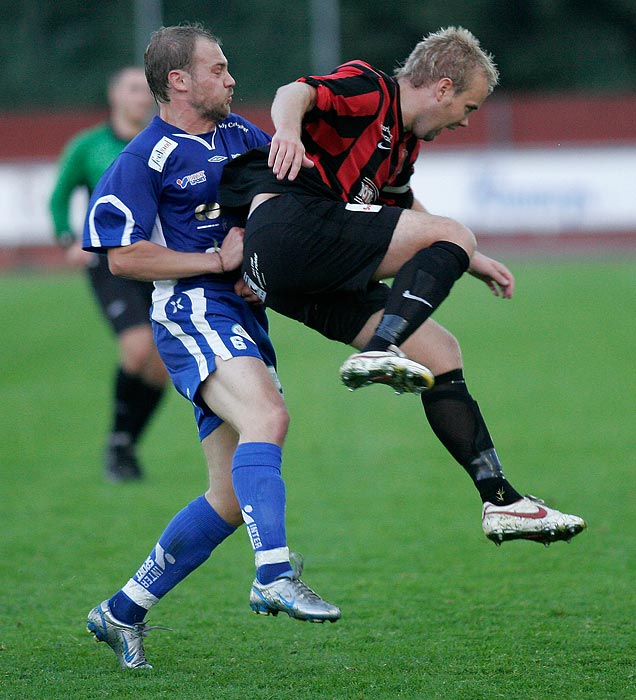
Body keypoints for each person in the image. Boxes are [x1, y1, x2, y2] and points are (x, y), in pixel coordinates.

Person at [218, 27, 586, 546]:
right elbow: (293, 93)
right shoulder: (372, 88)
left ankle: (502, 502)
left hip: (291, 273)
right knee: (452, 234)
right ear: (441, 87)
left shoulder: (402, 146)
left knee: (438, 350)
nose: (465, 120)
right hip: (290, 228)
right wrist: (287, 134)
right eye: (469, 106)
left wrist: (471, 258)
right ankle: (383, 347)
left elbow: (402, 210)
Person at [83, 23, 340, 671]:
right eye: (218, 69)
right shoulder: (142, 158)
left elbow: (280, 202)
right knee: (268, 419)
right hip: (191, 310)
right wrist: (212, 262)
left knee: (229, 496)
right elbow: (122, 257)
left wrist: (262, 260)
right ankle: (274, 574)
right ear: (179, 80)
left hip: (242, 316)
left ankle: (122, 611)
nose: (231, 79)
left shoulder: (240, 135)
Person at [49, 66, 168, 482]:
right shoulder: (89, 146)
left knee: (161, 368)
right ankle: (120, 446)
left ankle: (124, 444)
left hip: (157, 259)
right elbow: (60, 196)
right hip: (110, 261)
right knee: (138, 348)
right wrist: (67, 238)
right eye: (134, 89)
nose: (142, 97)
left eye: (146, 90)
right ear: (115, 96)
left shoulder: (162, 142)